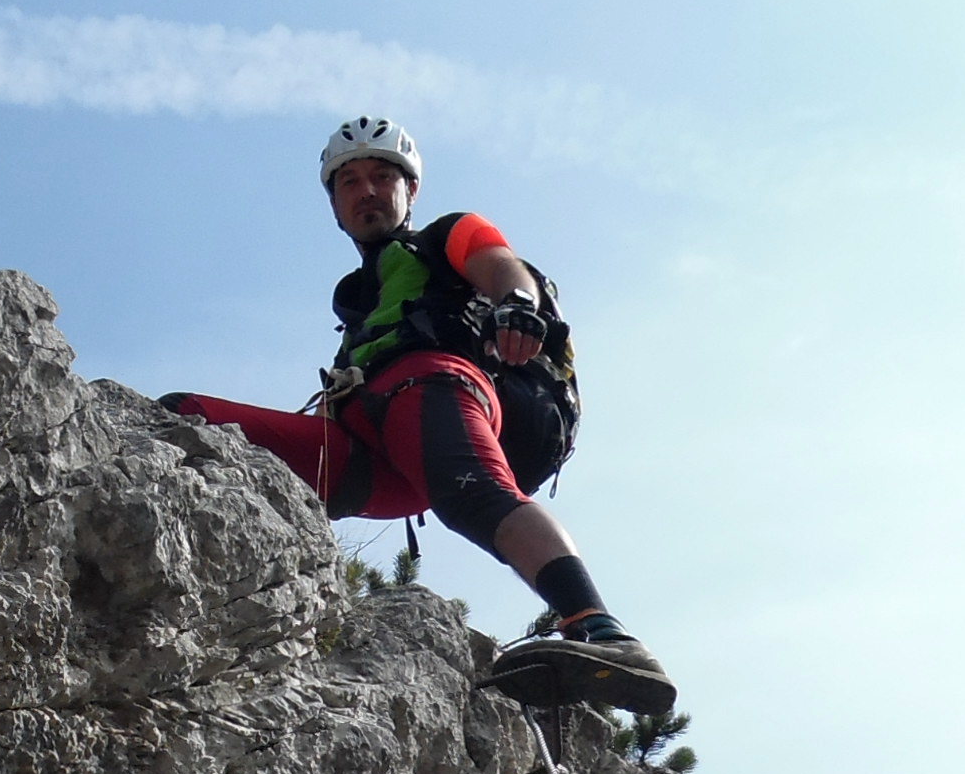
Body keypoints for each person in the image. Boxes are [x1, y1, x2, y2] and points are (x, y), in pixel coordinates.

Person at [161, 115, 675, 716]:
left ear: (410, 190)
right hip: (371, 451)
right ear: (335, 204)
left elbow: (499, 263)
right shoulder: (364, 298)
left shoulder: (445, 235)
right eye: (349, 181)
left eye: (383, 176)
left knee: (477, 495)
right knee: (186, 420)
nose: (366, 191)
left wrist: (516, 305)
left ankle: (603, 631)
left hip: (431, 389)